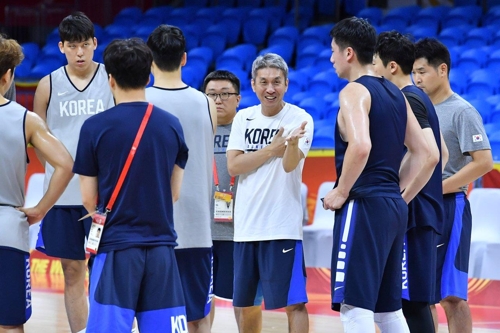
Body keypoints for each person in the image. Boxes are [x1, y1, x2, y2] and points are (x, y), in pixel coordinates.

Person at [323, 17, 437, 333]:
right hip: (392, 207)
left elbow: (360, 145)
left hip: (363, 204)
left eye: (333, 51)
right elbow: (424, 152)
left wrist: (341, 191)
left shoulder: (353, 92)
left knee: (354, 308)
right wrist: (397, 191)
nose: (330, 58)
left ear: (348, 53)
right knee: (388, 311)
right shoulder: (396, 93)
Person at [73, 37, 189, 333]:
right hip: (162, 248)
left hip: (116, 249)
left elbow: (89, 199)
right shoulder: (172, 124)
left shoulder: (93, 128)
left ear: (110, 80)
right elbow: (174, 193)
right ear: (149, 75)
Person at [32, 12, 114, 333]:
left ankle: (109, 327)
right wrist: (57, 170)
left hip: (105, 196)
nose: (79, 52)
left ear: (95, 44)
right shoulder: (47, 85)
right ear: (61, 47)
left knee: (108, 271)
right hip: (63, 196)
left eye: (85, 45)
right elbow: (37, 137)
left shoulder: (112, 79)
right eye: (72, 46)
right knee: (72, 270)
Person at [227, 53, 313, 333]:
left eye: (277, 81)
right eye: (263, 82)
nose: (270, 88)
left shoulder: (300, 119)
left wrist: (288, 146)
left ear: (286, 84)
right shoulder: (243, 118)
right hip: (246, 228)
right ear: (253, 85)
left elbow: (290, 166)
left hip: (282, 227)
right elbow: (235, 165)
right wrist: (271, 150)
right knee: (245, 304)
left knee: (294, 304)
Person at [413, 38, 494, 333]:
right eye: (413, 72)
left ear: (442, 69)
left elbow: (484, 162)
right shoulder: (414, 110)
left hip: (450, 208)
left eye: (422, 71)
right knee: (422, 295)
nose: (416, 78)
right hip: (419, 207)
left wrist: (438, 188)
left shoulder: (462, 111)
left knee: (452, 296)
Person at [373, 30, 447, 333]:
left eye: (375, 62)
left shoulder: (407, 99)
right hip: (423, 212)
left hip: (415, 214)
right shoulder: (416, 97)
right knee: (412, 302)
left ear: (391, 66)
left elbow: (430, 155)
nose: (372, 68)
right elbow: (441, 150)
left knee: (412, 304)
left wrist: (400, 198)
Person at [145, 24, 217, 333]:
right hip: (197, 225)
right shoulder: (206, 102)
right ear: (185, 59)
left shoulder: (139, 101)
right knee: (196, 316)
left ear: (149, 59)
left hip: (151, 226)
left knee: (151, 315)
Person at [0, 36, 73, 333]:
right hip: (8, 229)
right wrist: (41, 209)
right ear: (7, 77)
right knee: (10, 324)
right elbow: (66, 164)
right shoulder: (25, 119)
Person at [202, 70, 255, 328]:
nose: (218, 100)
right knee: (201, 300)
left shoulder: (249, 129)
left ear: (238, 99)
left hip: (240, 231)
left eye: (225, 94)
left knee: (243, 301)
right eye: (211, 95)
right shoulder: (196, 129)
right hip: (201, 231)